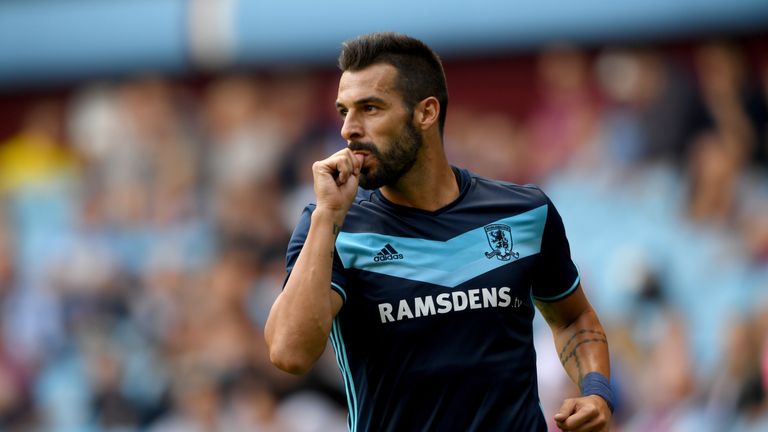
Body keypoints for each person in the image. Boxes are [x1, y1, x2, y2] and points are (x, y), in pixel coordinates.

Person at [265, 32, 614, 432]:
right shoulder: (332, 226)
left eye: (370, 108)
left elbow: (573, 319)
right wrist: (328, 216)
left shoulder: (524, 212)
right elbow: (288, 353)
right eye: (344, 111)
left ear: (426, 113)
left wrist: (597, 390)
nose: (349, 129)